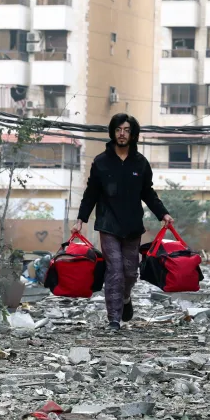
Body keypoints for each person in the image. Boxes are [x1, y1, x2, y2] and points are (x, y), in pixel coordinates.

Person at [72, 113, 173, 331]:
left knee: (130, 272)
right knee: (115, 270)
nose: (122, 134)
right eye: (118, 130)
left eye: (126, 130)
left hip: (133, 226)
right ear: (113, 132)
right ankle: (113, 319)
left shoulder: (141, 163)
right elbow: (90, 193)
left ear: (133, 134)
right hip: (108, 225)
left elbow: (148, 193)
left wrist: (163, 214)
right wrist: (81, 218)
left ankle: (125, 298)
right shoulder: (101, 162)